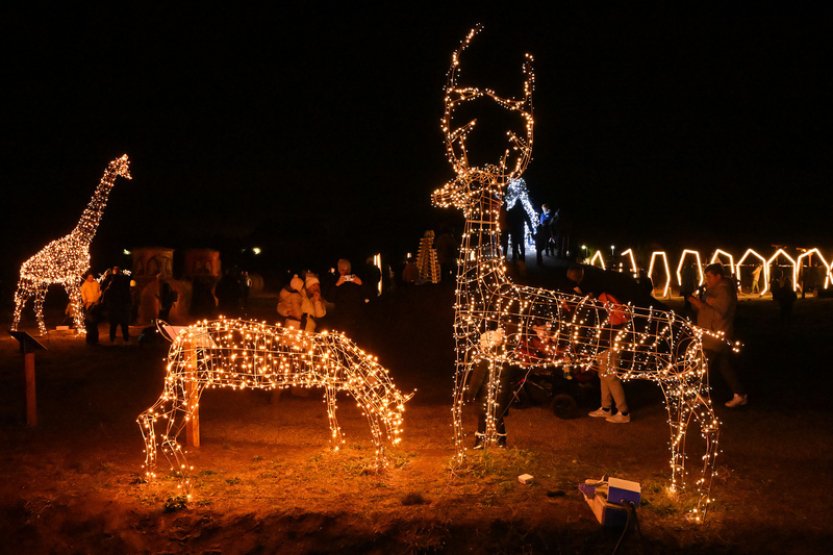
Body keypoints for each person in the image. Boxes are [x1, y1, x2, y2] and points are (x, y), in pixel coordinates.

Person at [689, 263, 747, 408]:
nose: (707, 279)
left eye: (709, 276)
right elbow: (707, 309)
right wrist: (696, 302)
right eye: (706, 276)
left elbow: (720, 313)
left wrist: (704, 303)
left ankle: (701, 395)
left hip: (717, 333)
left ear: (718, 276)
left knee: (703, 364)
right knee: (723, 365)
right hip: (711, 332)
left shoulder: (724, 290)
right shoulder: (713, 289)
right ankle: (740, 395)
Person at [587, 292, 631, 423]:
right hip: (604, 342)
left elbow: (620, 318)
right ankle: (606, 408)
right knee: (603, 375)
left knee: (610, 376)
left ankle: (624, 413)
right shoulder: (600, 298)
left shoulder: (605, 297)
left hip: (611, 341)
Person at [329, 258, 366, 339]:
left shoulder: (356, 279)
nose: (345, 273)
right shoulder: (336, 281)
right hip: (341, 320)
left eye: (347, 270)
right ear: (339, 270)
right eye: (342, 270)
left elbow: (370, 295)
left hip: (357, 321)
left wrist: (361, 284)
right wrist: (337, 284)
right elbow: (329, 297)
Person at [102, 266, 132, 343]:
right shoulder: (122, 281)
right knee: (122, 325)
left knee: (114, 324)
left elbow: (105, 292)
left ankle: (114, 339)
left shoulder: (112, 282)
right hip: (119, 307)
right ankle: (124, 339)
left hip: (116, 307)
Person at [80, 271, 102, 345]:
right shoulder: (85, 285)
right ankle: (89, 340)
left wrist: (98, 299)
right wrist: (85, 300)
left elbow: (99, 291)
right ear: (87, 277)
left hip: (95, 304)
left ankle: (95, 339)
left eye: (92, 277)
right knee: (89, 322)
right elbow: (82, 292)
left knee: (94, 323)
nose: (91, 278)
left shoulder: (96, 283)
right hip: (88, 304)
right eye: (89, 277)